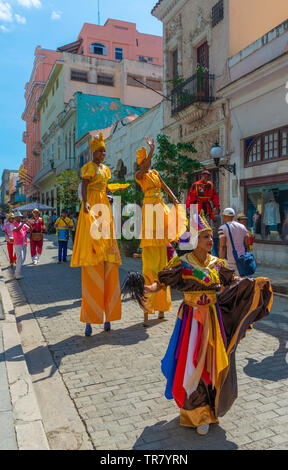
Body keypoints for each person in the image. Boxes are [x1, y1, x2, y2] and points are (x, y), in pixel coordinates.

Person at [125, 212, 273, 435]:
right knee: (193, 364)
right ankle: (196, 413)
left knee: (212, 364)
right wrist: (146, 288)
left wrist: (254, 285)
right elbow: (161, 284)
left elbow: (233, 283)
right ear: (194, 240)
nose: (210, 240)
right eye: (205, 237)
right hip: (191, 322)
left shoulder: (217, 264)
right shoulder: (181, 264)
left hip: (213, 320)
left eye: (210, 236)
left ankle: (211, 409)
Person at [71, 132, 124, 335]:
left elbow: (106, 187)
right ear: (94, 152)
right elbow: (84, 187)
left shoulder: (106, 170)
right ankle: (90, 320)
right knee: (93, 269)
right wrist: (85, 202)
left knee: (109, 268)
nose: (103, 153)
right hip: (93, 203)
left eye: (104, 151)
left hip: (104, 205)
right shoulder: (89, 168)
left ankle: (108, 317)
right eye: (100, 150)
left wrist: (110, 195)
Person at [135, 136, 185, 326]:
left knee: (163, 268)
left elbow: (165, 186)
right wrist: (151, 150)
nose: (146, 164)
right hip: (150, 211)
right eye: (143, 162)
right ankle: (147, 311)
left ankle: (162, 309)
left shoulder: (155, 173)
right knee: (149, 269)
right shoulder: (140, 176)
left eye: (146, 161)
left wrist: (175, 200)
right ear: (140, 164)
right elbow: (145, 166)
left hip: (160, 208)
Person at [218, 208, 250, 274]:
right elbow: (247, 244)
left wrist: (220, 261)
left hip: (230, 261)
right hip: (242, 259)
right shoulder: (243, 227)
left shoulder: (222, 228)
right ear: (233, 216)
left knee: (231, 282)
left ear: (225, 216)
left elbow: (223, 246)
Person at [12, 211, 30, 280]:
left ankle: (16, 272)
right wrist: (23, 224)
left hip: (24, 242)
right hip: (18, 243)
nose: (20, 218)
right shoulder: (13, 224)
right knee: (20, 258)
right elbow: (16, 230)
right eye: (18, 217)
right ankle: (17, 274)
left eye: (20, 217)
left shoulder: (23, 224)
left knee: (23, 258)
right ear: (15, 218)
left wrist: (30, 224)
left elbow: (29, 230)